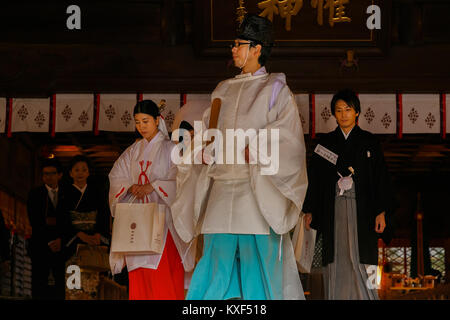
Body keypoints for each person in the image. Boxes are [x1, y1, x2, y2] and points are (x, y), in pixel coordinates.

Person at [171, 14, 308, 300]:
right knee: (213, 264)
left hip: (255, 192)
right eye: (233, 44)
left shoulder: (275, 90)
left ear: (257, 48)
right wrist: (201, 150)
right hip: (222, 189)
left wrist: (256, 147)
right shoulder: (223, 89)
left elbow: (289, 138)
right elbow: (210, 130)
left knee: (257, 268)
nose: (233, 49)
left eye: (239, 44)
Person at [302, 89, 394, 300]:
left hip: (364, 210)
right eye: (339, 110)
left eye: (348, 110)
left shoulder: (370, 142)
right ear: (334, 114)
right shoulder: (324, 143)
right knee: (335, 258)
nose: (343, 114)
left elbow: (381, 178)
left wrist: (381, 212)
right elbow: (314, 177)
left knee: (367, 258)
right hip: (333, 209)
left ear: (357, 113)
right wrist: (310, 209)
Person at [108, 100, 195, 300]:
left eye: (146, 121)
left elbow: (183, 178)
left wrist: (154, 186)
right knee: (140, 279)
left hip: (164, 223)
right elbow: (116, 176)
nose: (141, 127)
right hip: (137, 222)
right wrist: (130, 186)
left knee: (163, 279)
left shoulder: (171, 148)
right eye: (137, 122)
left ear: (157, 120)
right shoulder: (132, 152)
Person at [27, 158, 66, 300]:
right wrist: (49, 241)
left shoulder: (67, 193)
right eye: (45, 174)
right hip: (41, 245)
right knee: (39, 284)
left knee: (61, 284)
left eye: (52, 173)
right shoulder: (34, 194)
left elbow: (70, 221)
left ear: (59, 175)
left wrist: (62, 240)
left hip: (62, 245)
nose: (48, 177)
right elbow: (34, 221)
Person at [62, 155, 110, 262]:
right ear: (71, 173)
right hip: (74, 239)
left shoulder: (97, 193)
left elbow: (104, 215)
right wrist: (79, 234)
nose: (80, 173)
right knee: (73, 272)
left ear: (88, 173)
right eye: (77, 170)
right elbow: (63, 219)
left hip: (95, 238)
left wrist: (98, 234)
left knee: (95, 271)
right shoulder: (64, 194)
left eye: (84, 170)